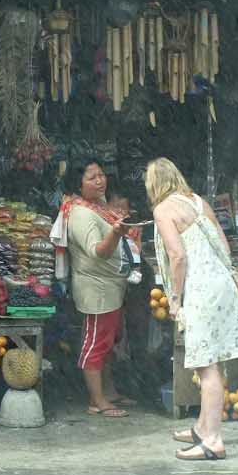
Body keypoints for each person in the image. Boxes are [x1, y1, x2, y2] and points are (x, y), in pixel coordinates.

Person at [147, 158, 238, 461]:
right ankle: (203, 427)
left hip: (201, 291)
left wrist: (175, 298)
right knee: (213, 361)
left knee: (207, 367)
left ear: (153, 185)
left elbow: (177, 256)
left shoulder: (163, 210)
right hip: (222, 287)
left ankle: (213, 440)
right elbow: (224, 245)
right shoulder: (198, 202)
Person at [52, 160, 136, 417]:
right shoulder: (81, 214)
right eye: (92, 177)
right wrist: (116, 232)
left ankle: (108, 393)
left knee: (107, 343)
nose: (100, 181)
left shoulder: (95, 207)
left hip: (109, 288)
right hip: (96, 290)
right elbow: (98, 251)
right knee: (95, 345)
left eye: (101, 175)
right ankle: (97, 402)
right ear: (78, 185)